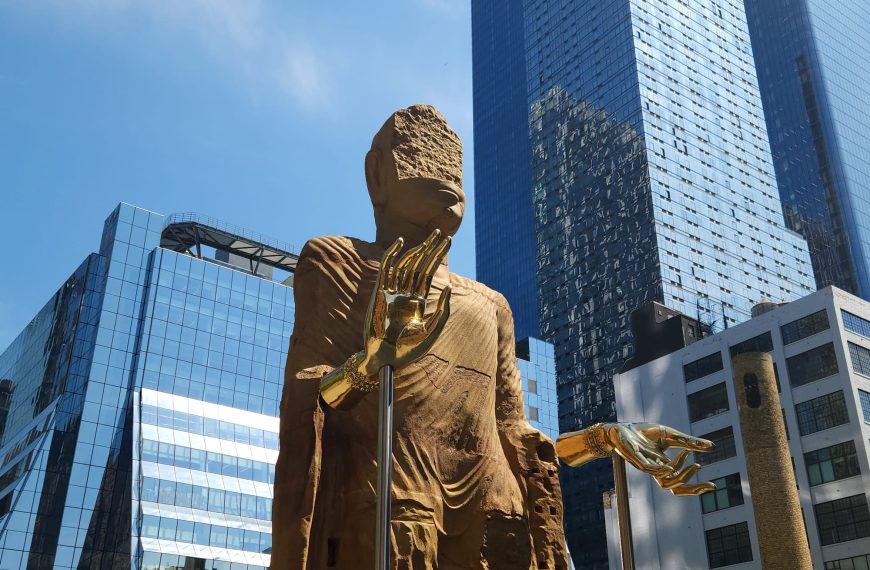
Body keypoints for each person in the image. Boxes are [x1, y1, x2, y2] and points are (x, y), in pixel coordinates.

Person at [270, 104, 713, 570]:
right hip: (393, 494)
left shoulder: (490, 303)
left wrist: (603, 440)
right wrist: (373, 358)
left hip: (496, 506)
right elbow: (312, 395)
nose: (441, 172)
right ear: (376, 175)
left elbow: (512, 433)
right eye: (417, 151)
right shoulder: (337, 263)